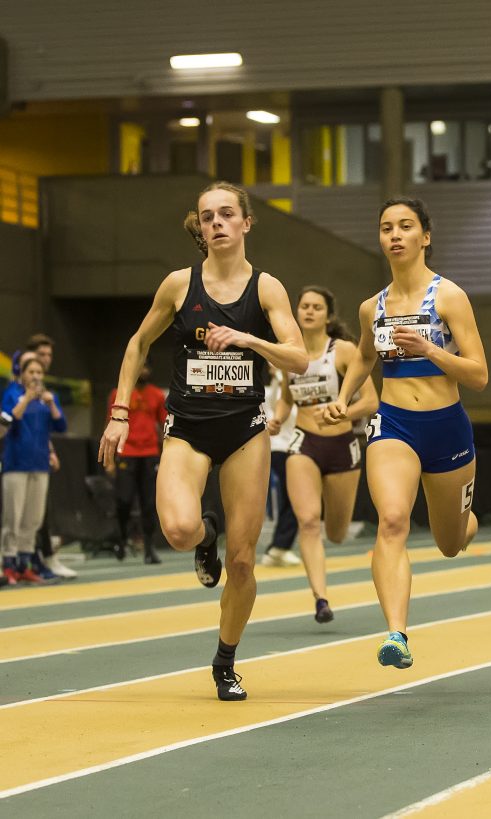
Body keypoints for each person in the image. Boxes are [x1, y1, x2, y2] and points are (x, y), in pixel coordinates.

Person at [97, 181, 307, 701]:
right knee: (178, 529)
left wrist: (248, 339)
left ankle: (225, 661)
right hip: (188, 429)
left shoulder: (267, 289)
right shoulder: (178, 285)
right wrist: (119, 413)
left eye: (226, 214)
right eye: (208, 216)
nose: (216, 222)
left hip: (245, 432)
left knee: (242, 563)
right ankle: (205, 534)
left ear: (245, 223)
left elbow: (298, 358)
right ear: (202, 227)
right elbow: (138, 342)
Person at [321, 197, 487, 670]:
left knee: (449, 542)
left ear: (424, 237)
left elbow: (478, 375)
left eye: (405, 226)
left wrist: (432, 351)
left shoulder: (449, 297)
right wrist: (344, 395)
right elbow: (364, 357)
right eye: (386, 228)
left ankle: (467, 521)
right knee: (392, 521)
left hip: (446, 426)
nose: (394, 235)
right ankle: (397, 633)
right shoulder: (371, 308)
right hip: (394, 425)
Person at [267, 286, 379, 624]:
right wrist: (277, 415)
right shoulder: (290, 354)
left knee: (336, 533)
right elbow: (288, 396)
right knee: (308, 521)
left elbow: (371, 402)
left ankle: (331, 545)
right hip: (303, 443)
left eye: (317, 307)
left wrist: (343, 411)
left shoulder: (343, 351)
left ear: (328, 316)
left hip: (342, 446)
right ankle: (321, 599)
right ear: (297, 312)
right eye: (304, 306)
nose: (309, 312)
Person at [2, 353, 67, 586]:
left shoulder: (47, 398)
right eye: (31, 372)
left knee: (33, 519)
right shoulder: (12, 394)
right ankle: (8, 565)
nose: (36, 376)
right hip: (16, 463)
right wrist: (27, 399)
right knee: (13, 517)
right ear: (22, 373)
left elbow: (61, 425)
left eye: (39, 372)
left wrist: (51, 404)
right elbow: (8, 422)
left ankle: (24, 564)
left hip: (40, 464)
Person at [22, 333, 77, 580]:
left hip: (38, 457)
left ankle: (39, 560)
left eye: (49, 356)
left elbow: (55, 426)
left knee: (39, 513)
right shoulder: (19, 387)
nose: (46, 361)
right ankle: (21, 562)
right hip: (18, 457)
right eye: (41, 355)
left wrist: (51, 450)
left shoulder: (45, 393)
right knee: (19, 515)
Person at [105, 360, 166, 564]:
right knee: (123, 500)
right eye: (140, 367)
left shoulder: (157, 395)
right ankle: (121, 540)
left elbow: (164, 425)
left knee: (149, 503)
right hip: (127, 452)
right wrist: (111, 460)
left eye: (146, 367)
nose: (144, 371)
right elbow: (110, 426)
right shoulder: (119, 394)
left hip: (149, 454)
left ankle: (149, 548)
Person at [261, 365, 301, 567]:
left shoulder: (296, 386)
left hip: (293, 449)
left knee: (292, 499)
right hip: (280, 449)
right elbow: (280, 398)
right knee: (296, 498)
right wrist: (280, 371)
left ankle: (277, 548)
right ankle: (279, 547)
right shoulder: (274, 388)